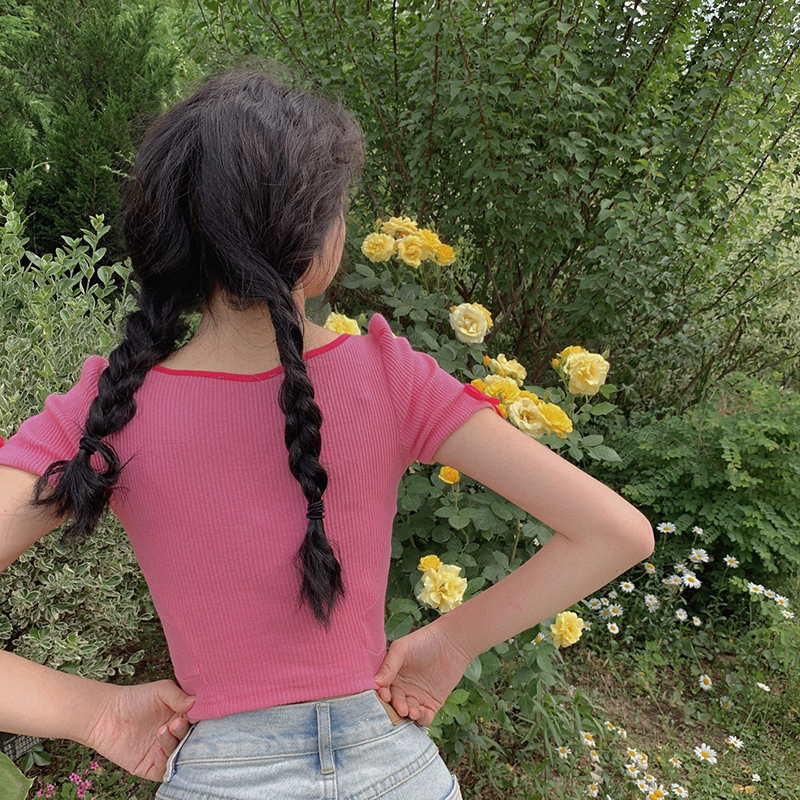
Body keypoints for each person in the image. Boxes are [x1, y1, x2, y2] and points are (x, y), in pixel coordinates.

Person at [0, 67, 654, 799]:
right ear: (321, 240)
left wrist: (92, 712)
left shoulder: (108, 412)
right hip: (398, 774)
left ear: (173, 241)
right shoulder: (390, 376)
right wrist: (452, 641)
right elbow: (615, 533)